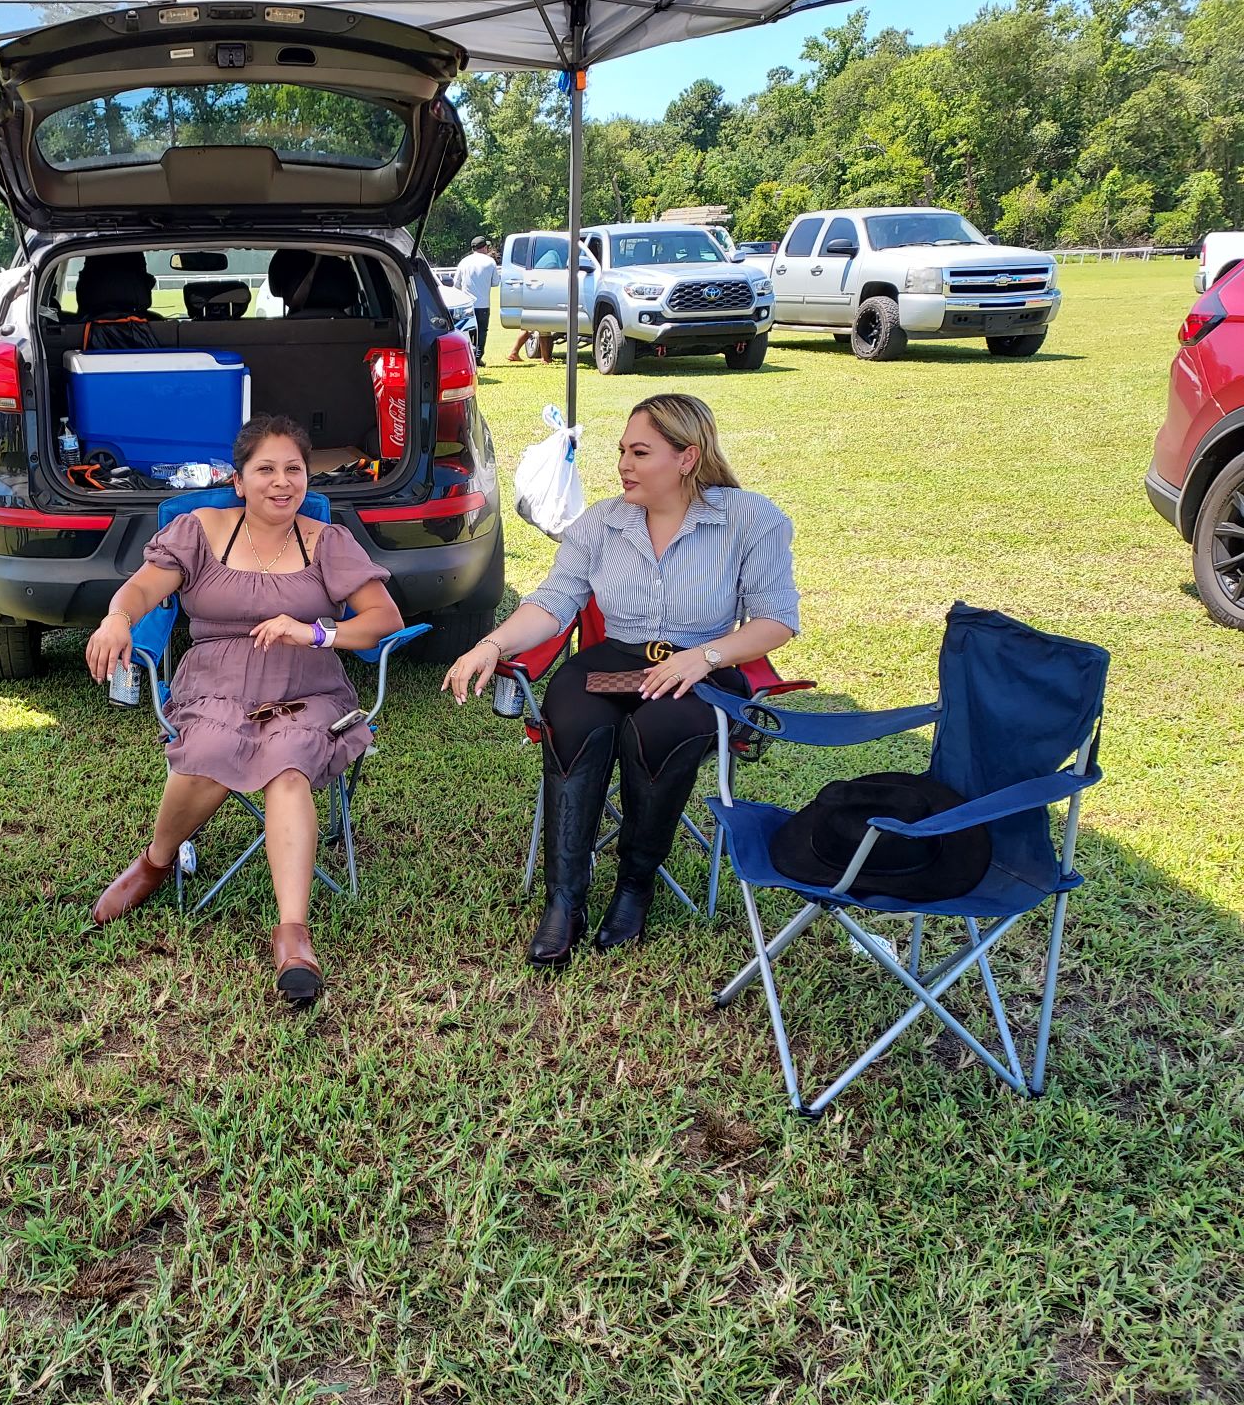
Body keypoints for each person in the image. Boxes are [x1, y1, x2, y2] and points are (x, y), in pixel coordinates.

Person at [442, 395, 800, 965]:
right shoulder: (603, 523)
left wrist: (704, 657)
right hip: (617, 665)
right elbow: (554, 601)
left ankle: (635, 885)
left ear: (687, 457)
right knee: (572, 715)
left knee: (658, 729)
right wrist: (491, 644)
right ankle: (565, 900)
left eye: (640, 453)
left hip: (700, 670)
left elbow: (775, 620)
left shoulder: (748, 519)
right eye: (622, 452)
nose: (623, 466)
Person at [85, 415, 405, 1005]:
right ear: (239, 480)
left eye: (294, 470)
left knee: (289, 763)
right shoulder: (200, 530)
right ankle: (155, 862)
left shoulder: (327, 541)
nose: (282, 482)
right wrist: (116, 619)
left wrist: (316, 632)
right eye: (266, 469)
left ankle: (293, 936)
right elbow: (143, 589)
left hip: (307, 686)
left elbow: (384, 620)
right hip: (216, 683)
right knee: (210, 749)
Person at [455, 234, 499, 364]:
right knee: (482, 331)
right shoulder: (490, 262)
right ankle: (478, 357)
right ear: (484, 247)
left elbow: (456, 284)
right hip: (483, 304)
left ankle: (467, 356)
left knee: (466, 331)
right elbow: (495, 282)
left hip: (467, 304)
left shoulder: (464, 262)